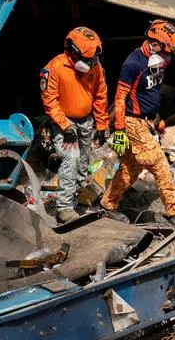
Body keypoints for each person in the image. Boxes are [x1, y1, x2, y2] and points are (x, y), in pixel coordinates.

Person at [100, 19, 175, 224]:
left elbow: (152, 91)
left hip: (146, 121)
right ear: (155, 44)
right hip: (131, 121)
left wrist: (156, 118)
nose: (169, 55)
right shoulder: (133, 63)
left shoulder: (161, 61)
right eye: (167, 49)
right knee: (159, 163)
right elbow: (120, 97)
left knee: (132, 167)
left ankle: (108, 203)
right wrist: (119, 129)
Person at [40, 27, 109, 223]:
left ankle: (78, 195)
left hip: (86, 122)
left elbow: (100, 96)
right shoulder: (55, 68)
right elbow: (50, 100)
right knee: (71, 159)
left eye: (91, 60)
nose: (89, 64)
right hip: (64, 121)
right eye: (86, 59)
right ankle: (64, 208)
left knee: (83, 162)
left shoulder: (95, 68)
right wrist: (65, 126)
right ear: (71, 50)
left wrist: (102, 124)